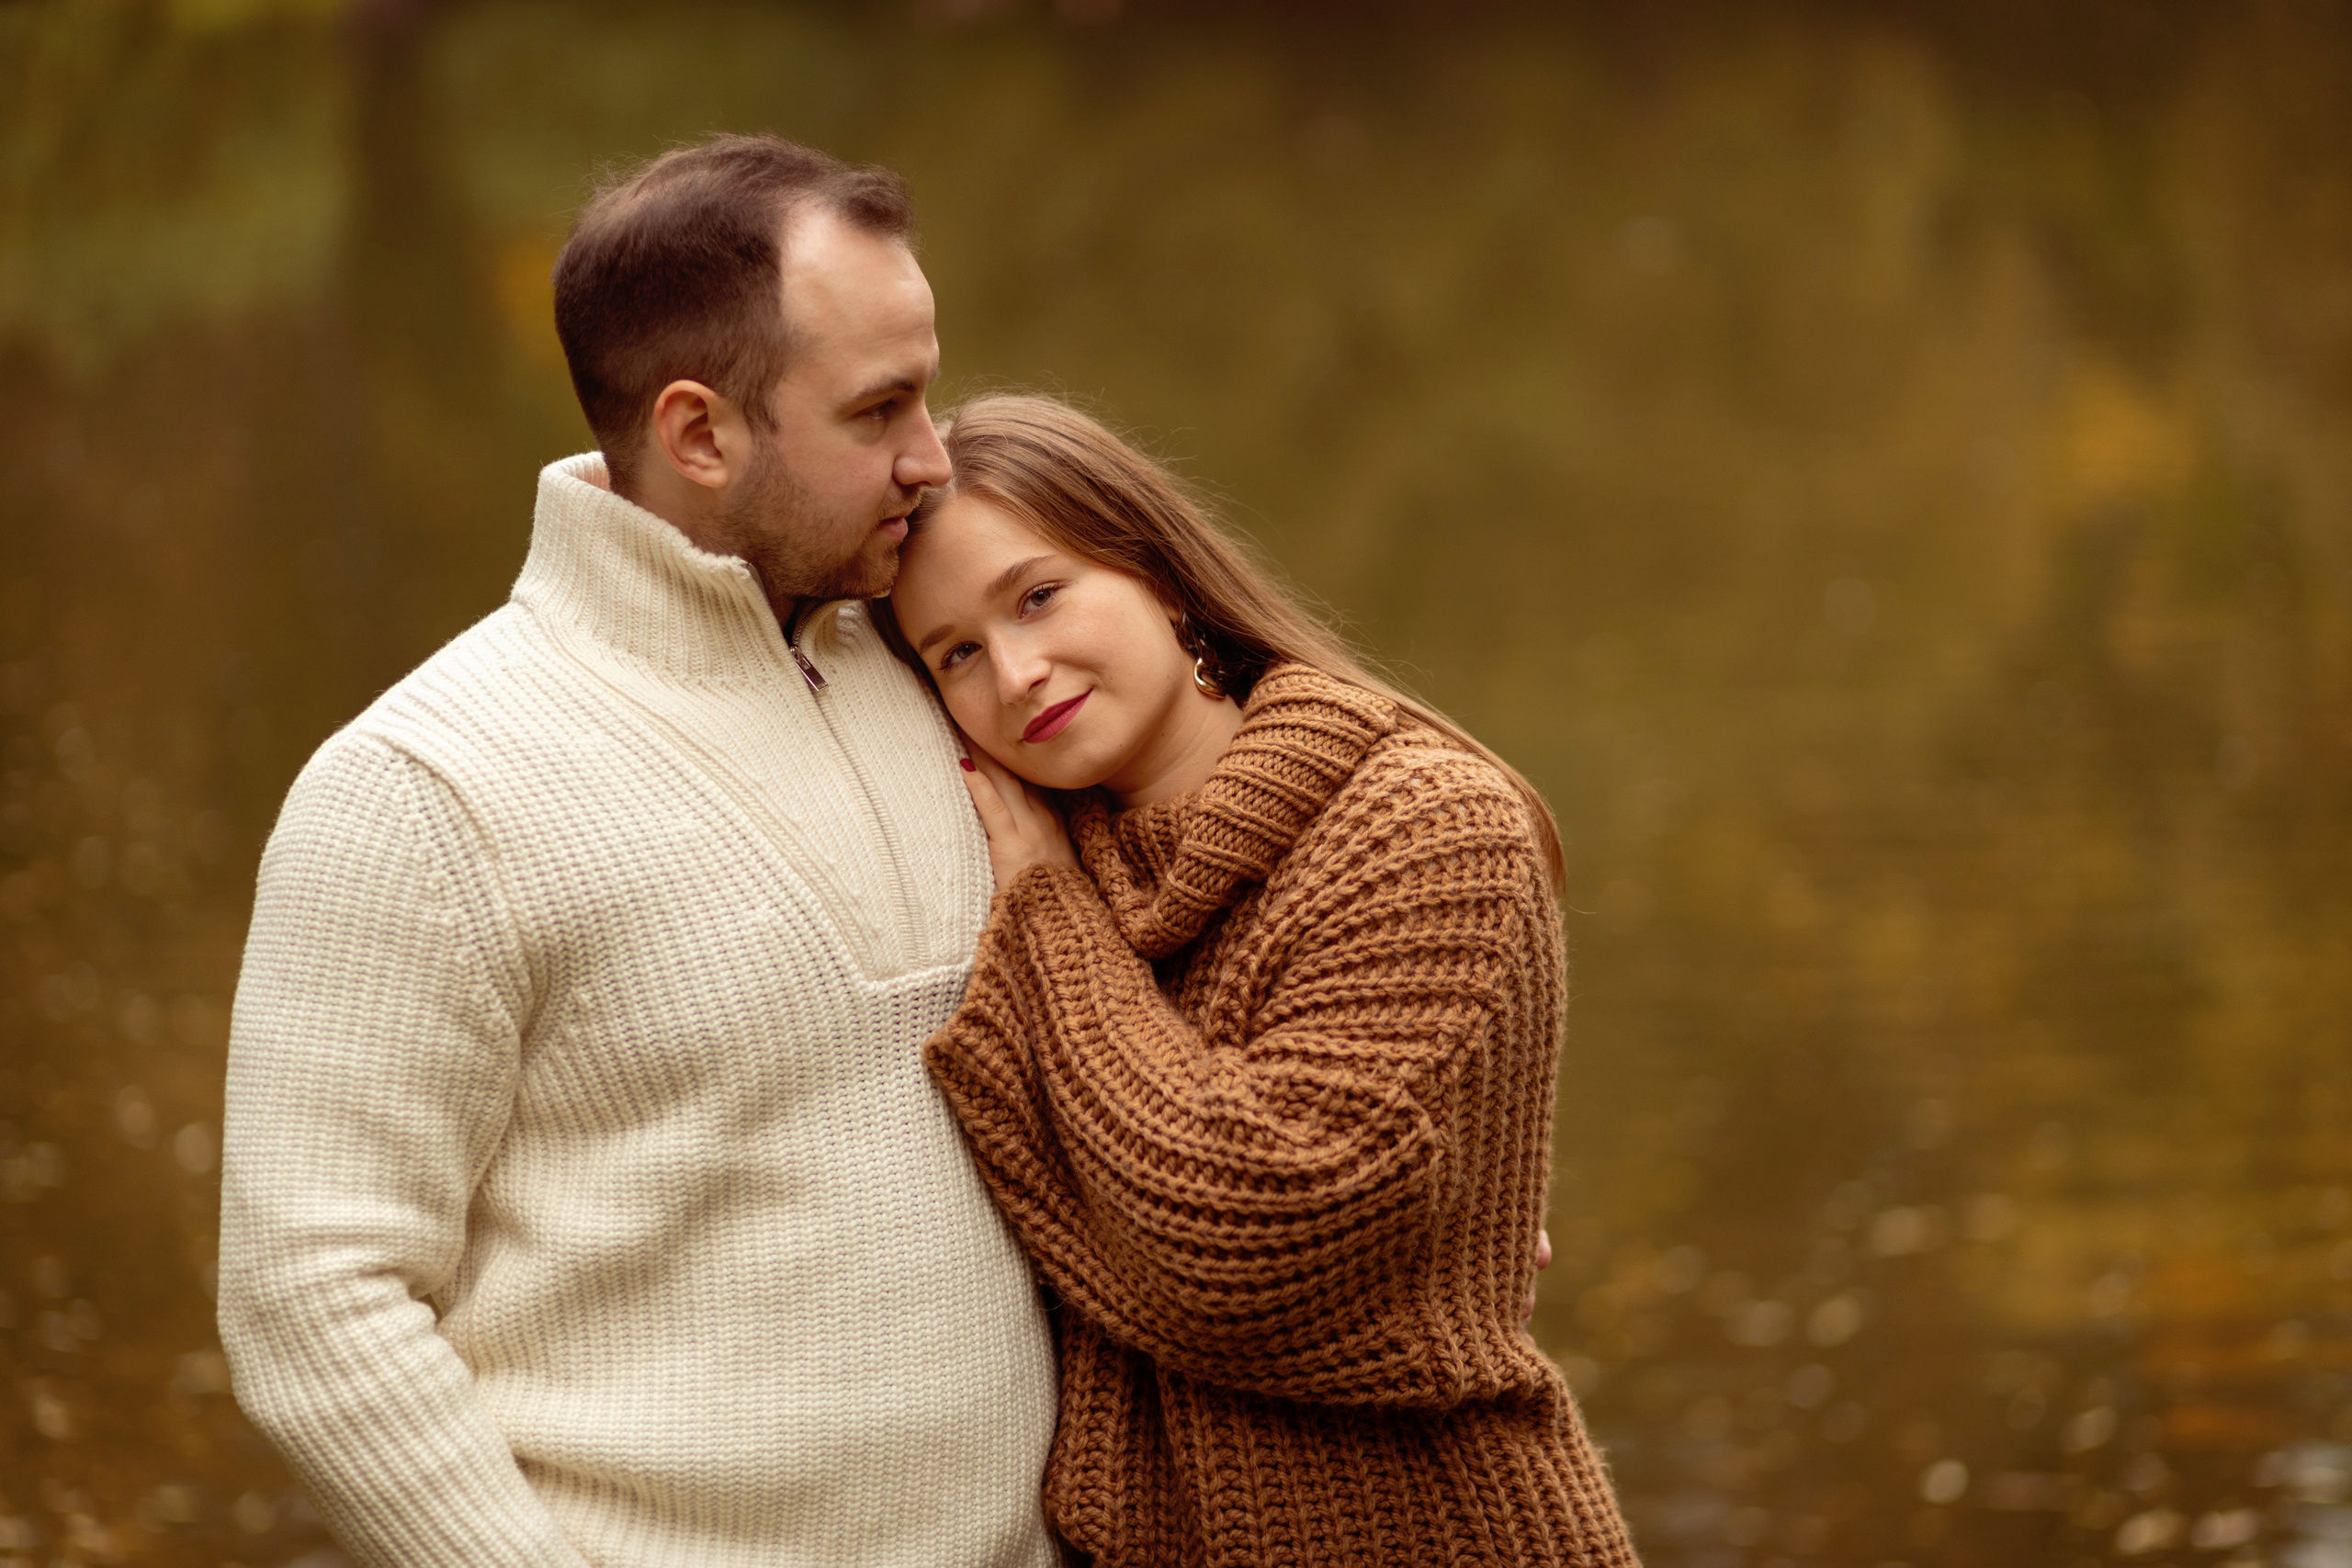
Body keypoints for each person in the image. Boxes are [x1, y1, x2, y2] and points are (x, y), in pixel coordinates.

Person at [216, 137, 1059, 1566]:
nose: (936, 455)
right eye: (880, 408)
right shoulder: (427, 787)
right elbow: (315, 1297)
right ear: (700, 433)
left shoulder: (956, 667)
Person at [881, 394, 1642, 1565]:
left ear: (1163, 578)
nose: (1019, 673)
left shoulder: (1420, 825)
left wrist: (1049, 918)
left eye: (1039, 596)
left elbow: (1239, 1235)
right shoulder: (1010, 855)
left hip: (1427, 1531)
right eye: (957, 655)